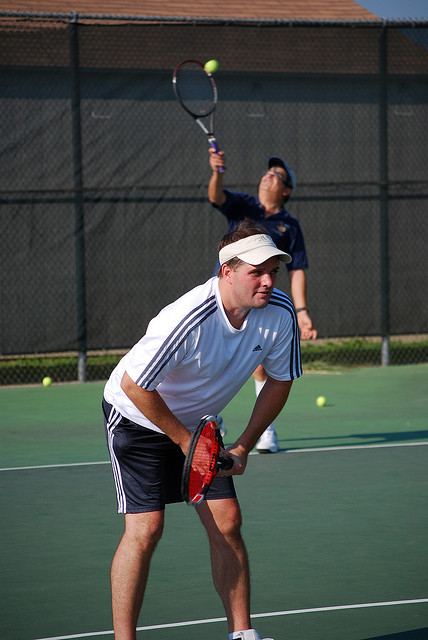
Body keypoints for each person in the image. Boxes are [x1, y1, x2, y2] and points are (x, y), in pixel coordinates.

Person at [102, 219, 302, 640]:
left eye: (273, 271)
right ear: (227, 272)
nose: (268, 281)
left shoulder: (280, 313)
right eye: (257, 272)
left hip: (198, 423)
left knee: (228, 522)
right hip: (137, 415)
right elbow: (135, 386)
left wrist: (244, 445)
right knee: (146, 528)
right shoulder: (189, 318)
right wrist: (186, 443)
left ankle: (242, 634)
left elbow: (280, 380)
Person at [208, 148, 316, 453]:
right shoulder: (244, 206)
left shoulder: (289, 226)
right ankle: (210, 416)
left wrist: (302, 311)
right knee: (210, 357)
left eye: (277, 175)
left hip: (259, 303)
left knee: (260, 365)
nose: (269, 175)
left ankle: (266, 433)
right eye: (268, 171)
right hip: (226, 299)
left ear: (286, 190)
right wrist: (216, 171)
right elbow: (216, 196)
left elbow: (297, 269)